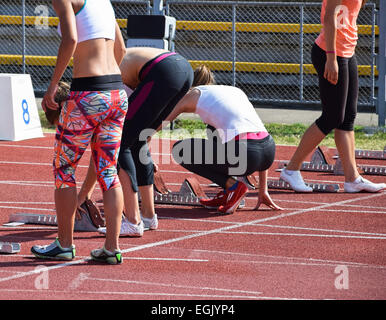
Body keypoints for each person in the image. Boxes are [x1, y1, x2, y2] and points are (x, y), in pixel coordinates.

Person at [31, 0, 128, 265]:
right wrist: (107, 82)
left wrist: (53, 86)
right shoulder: (104, 2)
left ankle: (64, 244)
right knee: (108, 171)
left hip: (88, 92)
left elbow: (70, 39)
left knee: (64, 169)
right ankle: (111, 248)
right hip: (116, 92)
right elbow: (121, 49)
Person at [76, 46, 196, 237]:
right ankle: (148, 216)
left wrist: (84, 193)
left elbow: (104, 146)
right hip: (182, 68)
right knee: (138, 139)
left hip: (162, 70)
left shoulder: (99, 84)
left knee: (119, 141)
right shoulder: (105, 71)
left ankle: (133, 220)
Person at [280, 0, 386, 193]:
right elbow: (329, 16)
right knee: (332, 116)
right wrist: (330, 57)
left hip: (347, 51)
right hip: (331, 52)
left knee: (348, 118)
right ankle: (291, 169)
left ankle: (352, 178)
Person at [159, 66, 282, 214]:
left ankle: (233, 186)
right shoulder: (233, 91)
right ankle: (228, 191)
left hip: (246, 153)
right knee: (214, 131)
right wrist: (263, 190)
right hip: (268, 150)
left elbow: (162, 122)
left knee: (180, 150)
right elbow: (255, 134)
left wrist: (141, 139)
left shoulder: (193, 94)